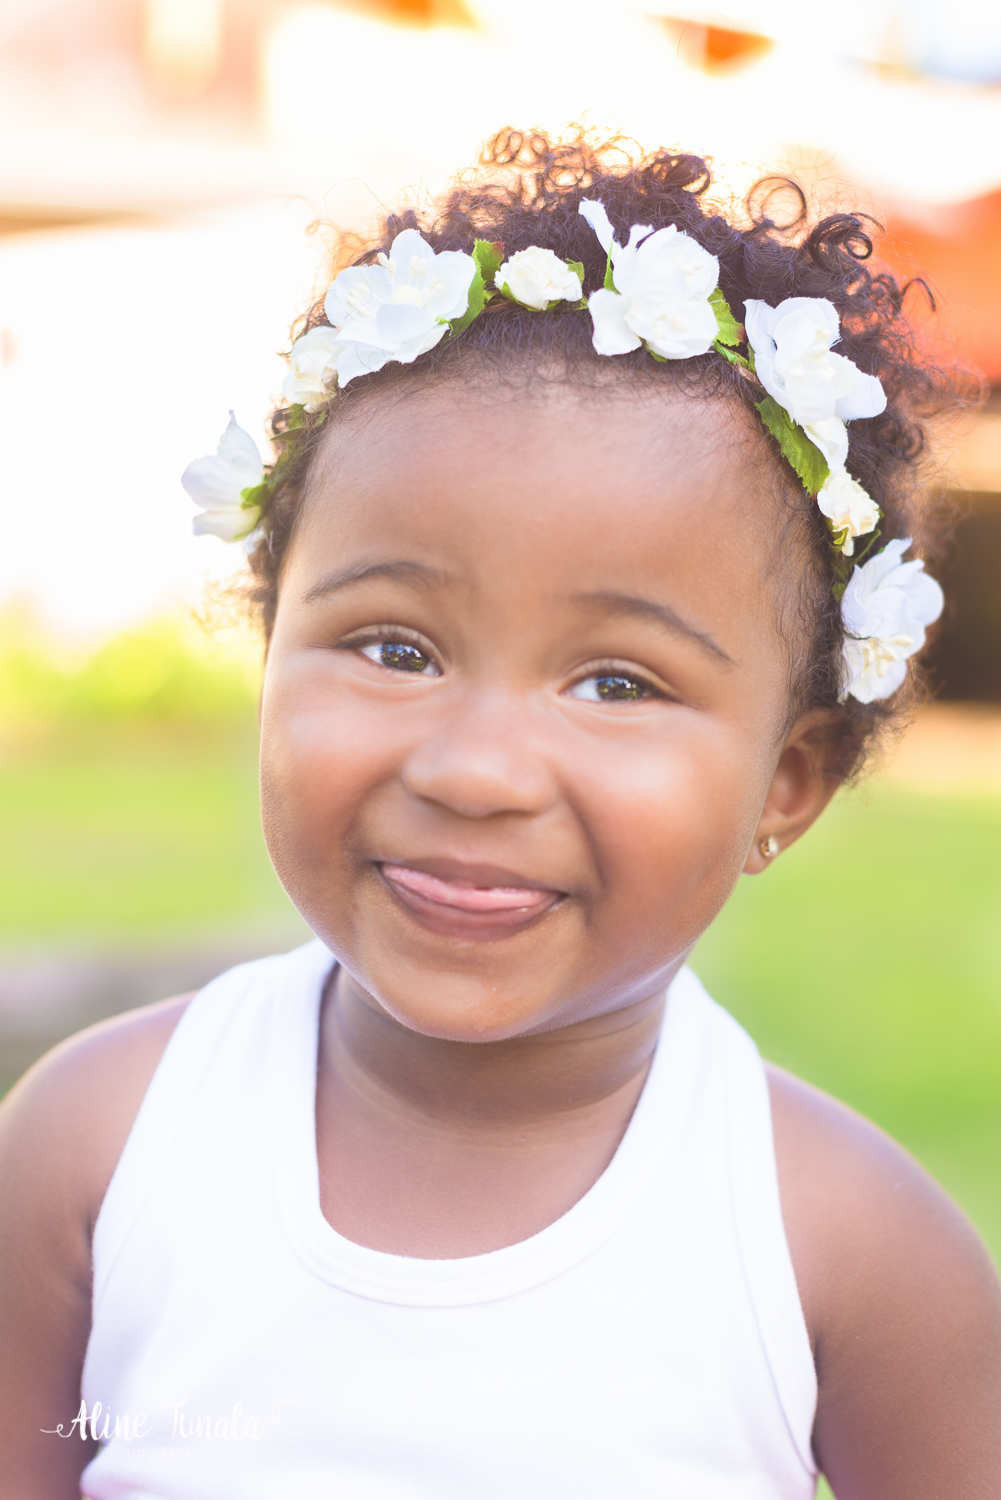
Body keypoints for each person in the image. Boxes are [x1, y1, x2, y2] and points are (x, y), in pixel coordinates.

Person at [1, 129, 999, 1500]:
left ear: (787, 782)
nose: (477, 770)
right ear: (269, 638)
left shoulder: (849, 1252)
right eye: (394, 649)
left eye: (615, 681)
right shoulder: (95, 1148)